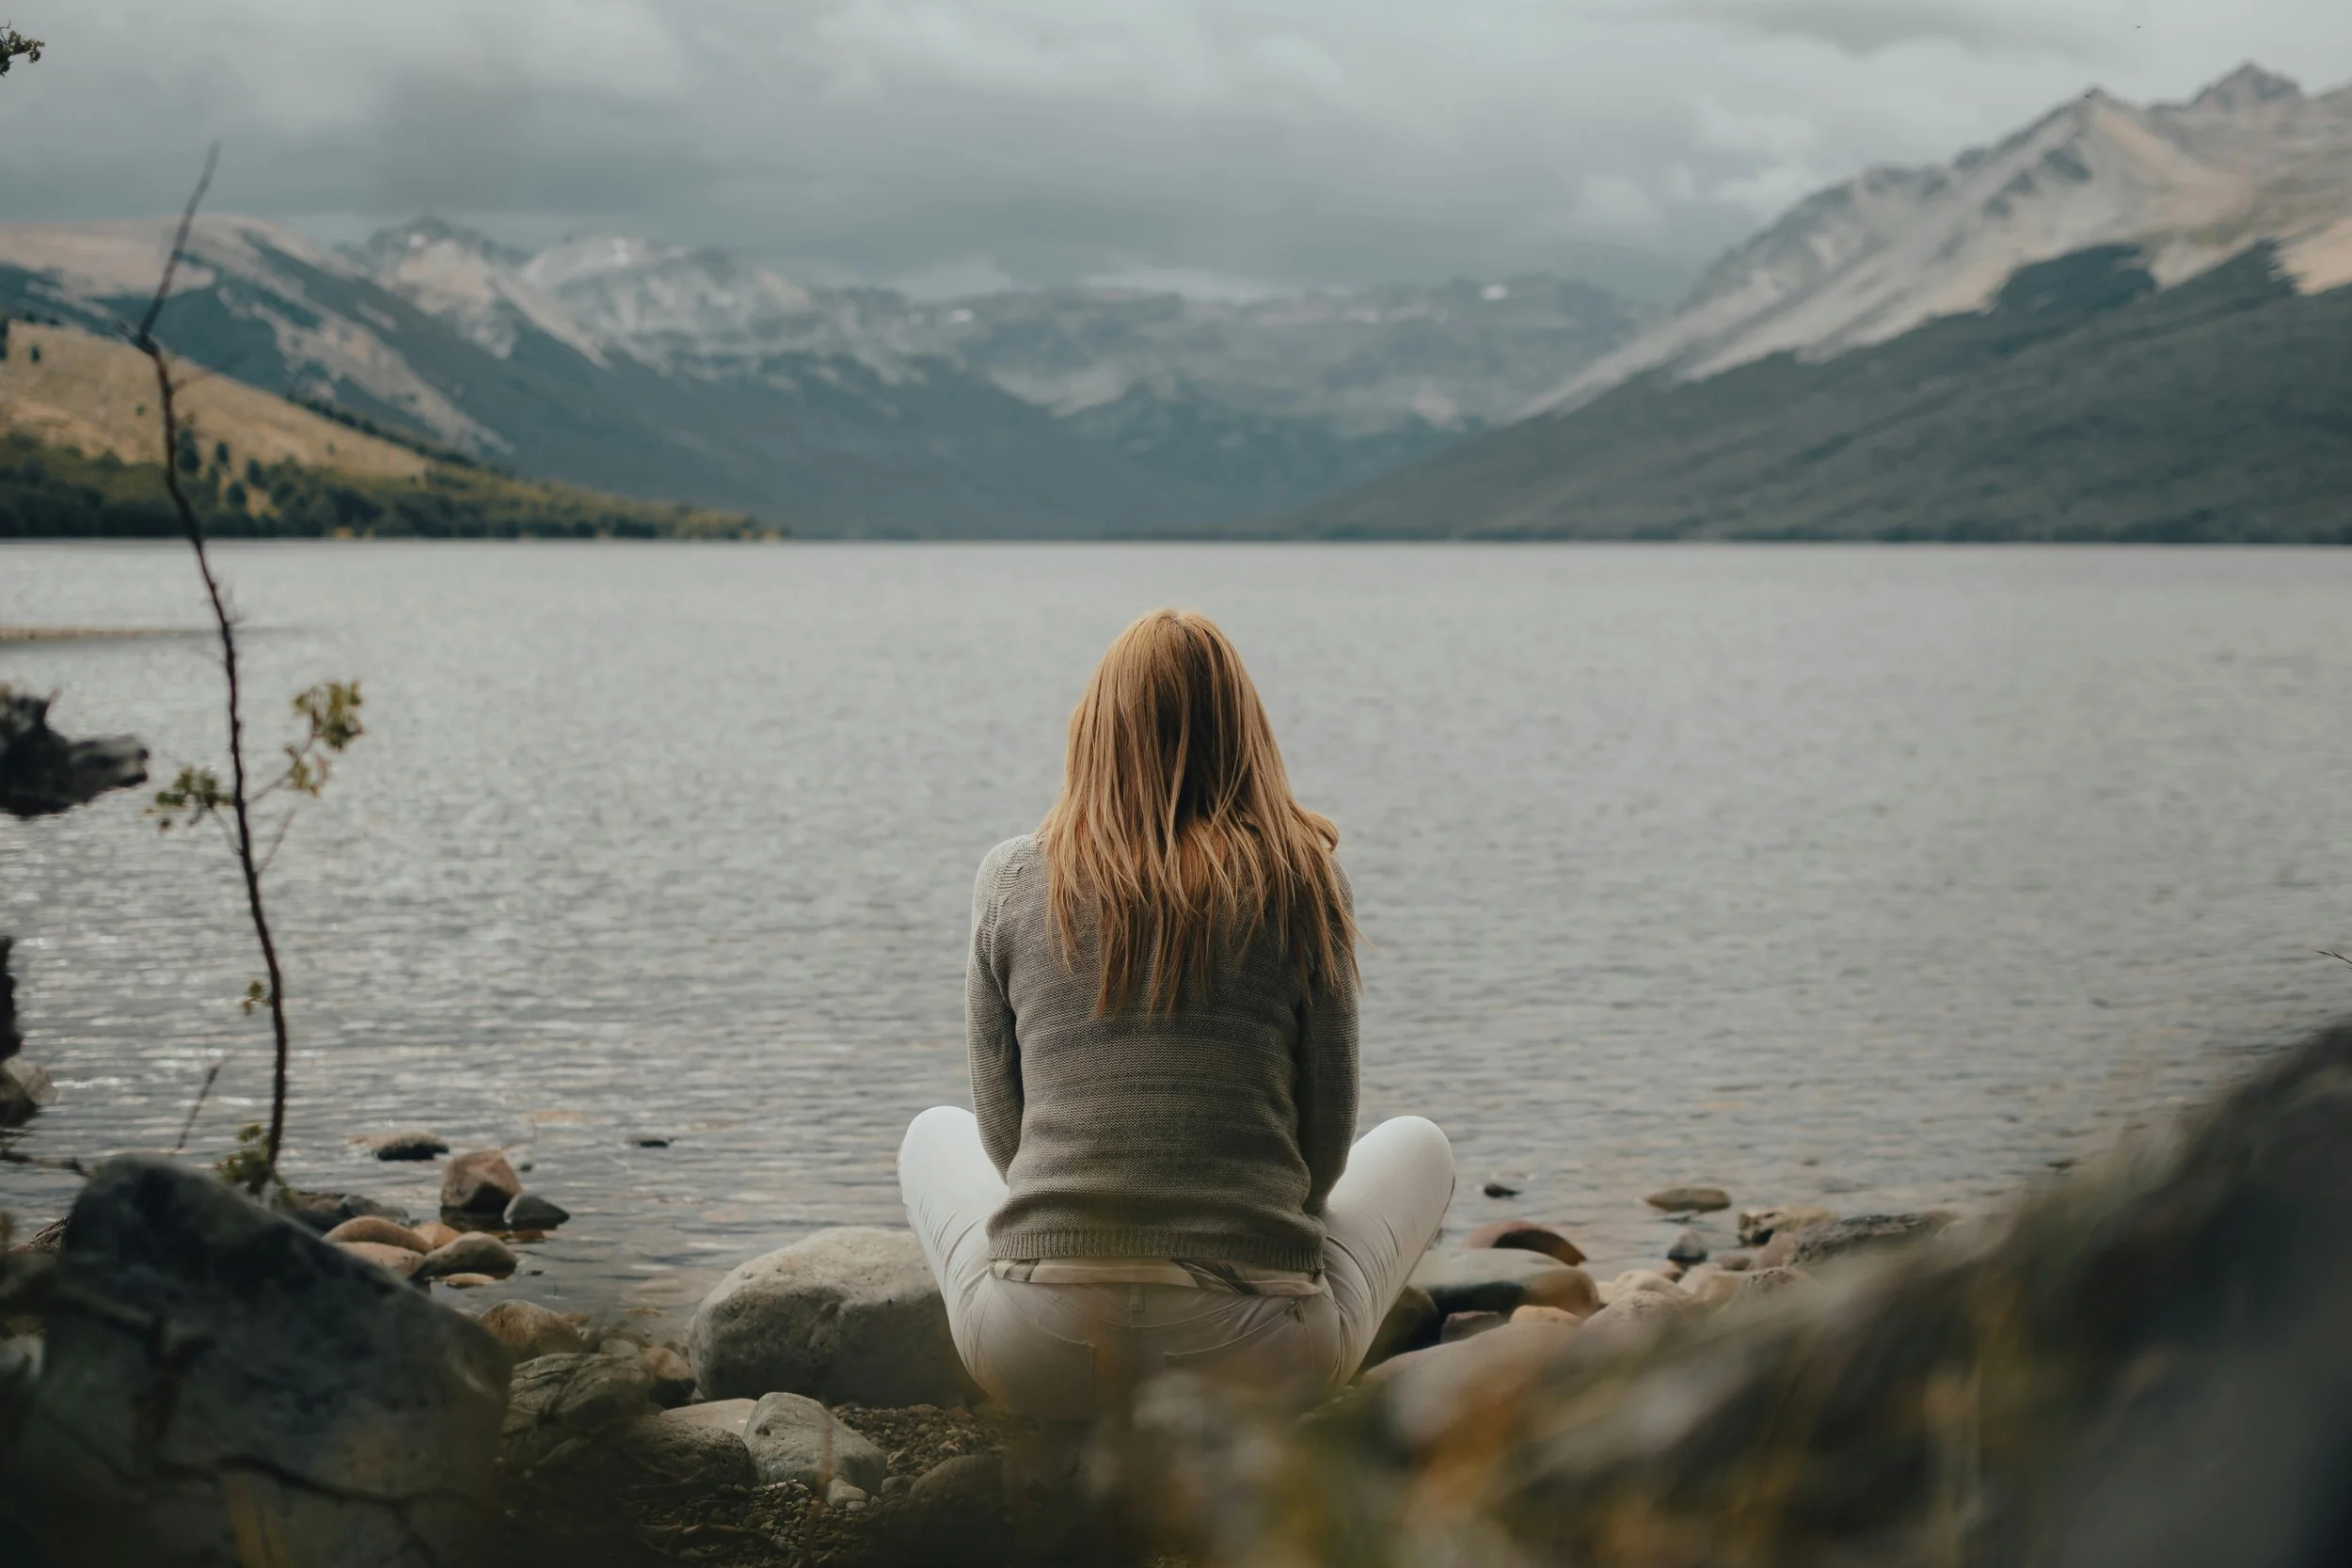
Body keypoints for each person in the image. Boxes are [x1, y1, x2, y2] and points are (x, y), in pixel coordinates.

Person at [898, 608, 1454, 1420]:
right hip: (1250, 1355)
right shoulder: (1303, 880)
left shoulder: (1013, 879)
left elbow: (1005, 1137)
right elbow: (1325, 1142)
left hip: (1040, 1347)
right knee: (1422, 1147)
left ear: (1093, 731)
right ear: (1245, 738)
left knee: (930, 1132)